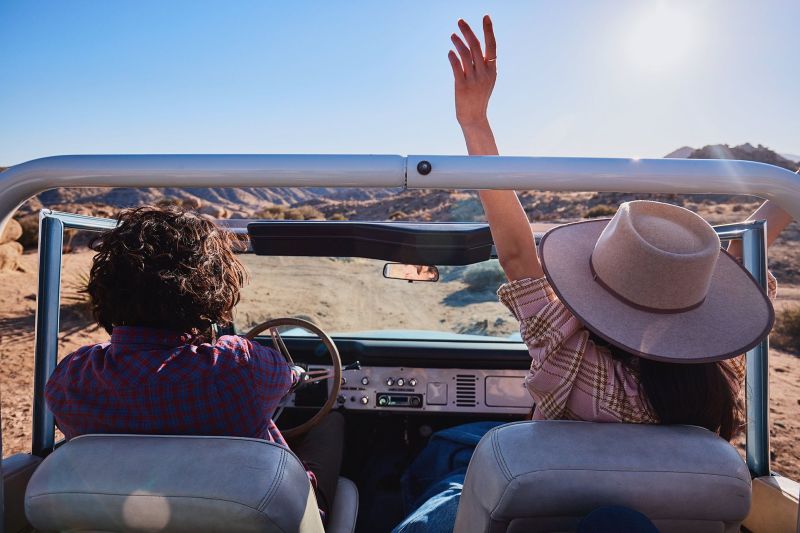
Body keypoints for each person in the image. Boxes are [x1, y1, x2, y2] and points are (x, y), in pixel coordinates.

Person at [393, 15, 793, 532]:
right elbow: (744, 254)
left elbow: (516, 254)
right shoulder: (717, 373)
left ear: (598, 287)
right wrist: (790, 188)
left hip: (539, 511)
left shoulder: (573, 364)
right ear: (698, 300)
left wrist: (474, 121)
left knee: (444, 469)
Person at [45, 205, 344, 519]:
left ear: (105, 290)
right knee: (330, 424)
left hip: (117, 518)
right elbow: (285, 379)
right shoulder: (236, 365)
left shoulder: (72, 378)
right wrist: (296, 373)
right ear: (211, 293)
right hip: (249, 517)